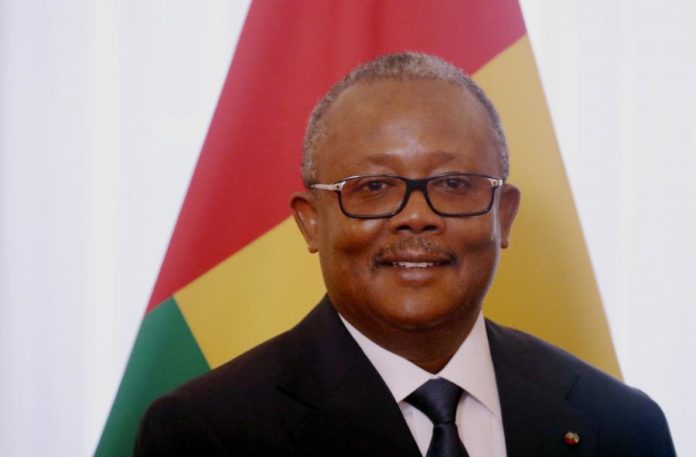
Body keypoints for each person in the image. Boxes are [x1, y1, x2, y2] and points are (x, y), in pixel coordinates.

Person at [135, 52, 675, 457]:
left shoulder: (620, 424)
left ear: (503, 215)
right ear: (311, 220)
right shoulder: (205, 433)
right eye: (373, 187)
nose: (416, 216)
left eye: (454, 183)